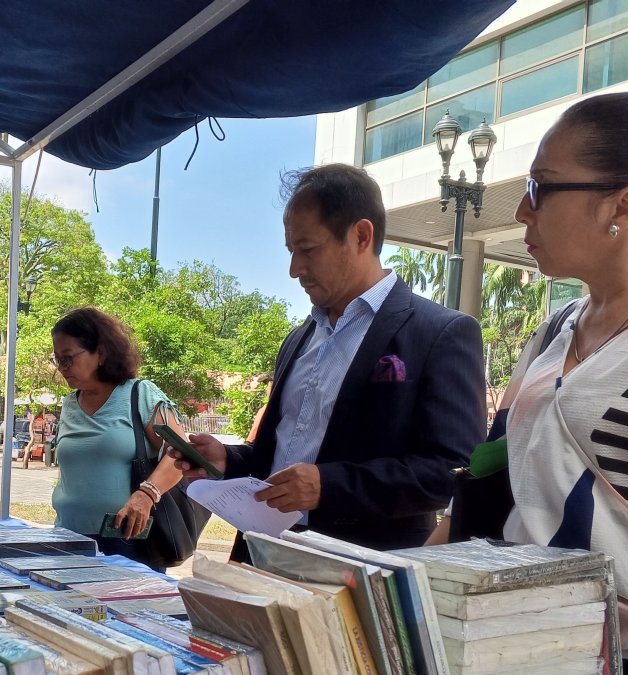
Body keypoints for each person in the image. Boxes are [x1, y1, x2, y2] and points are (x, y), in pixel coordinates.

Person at [434, 92, 628, 671]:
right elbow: (494, 477)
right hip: (543, 639)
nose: (522, 213)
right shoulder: (559, 326)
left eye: (540, 188)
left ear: (624, 205)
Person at [173, 163, 487, 558]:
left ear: (361, 236)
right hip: (260, 554)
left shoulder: (439, 332)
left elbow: (450, 471)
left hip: (358, 572)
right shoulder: (300, 337)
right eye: (291, 251)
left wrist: (329, 485)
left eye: (307, 250)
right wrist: (229, 459)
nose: (294, 270)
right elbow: (282, 454)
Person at [49, 307, 190, 572]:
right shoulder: (68, 404)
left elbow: (179, 454)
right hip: (67, 541)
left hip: (129, 546)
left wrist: (147, 494)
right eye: (57, 359)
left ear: (100, 353)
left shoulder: (140, 394)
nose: (61, 368)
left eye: (68, 358)